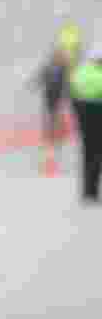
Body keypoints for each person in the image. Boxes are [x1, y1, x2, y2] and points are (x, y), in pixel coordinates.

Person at [69, 46, 102, 204]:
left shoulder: (79, 73)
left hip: (83, 119)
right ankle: (93, 192)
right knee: (96, 157)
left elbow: (73, 95)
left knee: (88, 155)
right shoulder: (99, 75)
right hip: (98, 117)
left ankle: (88, 193)